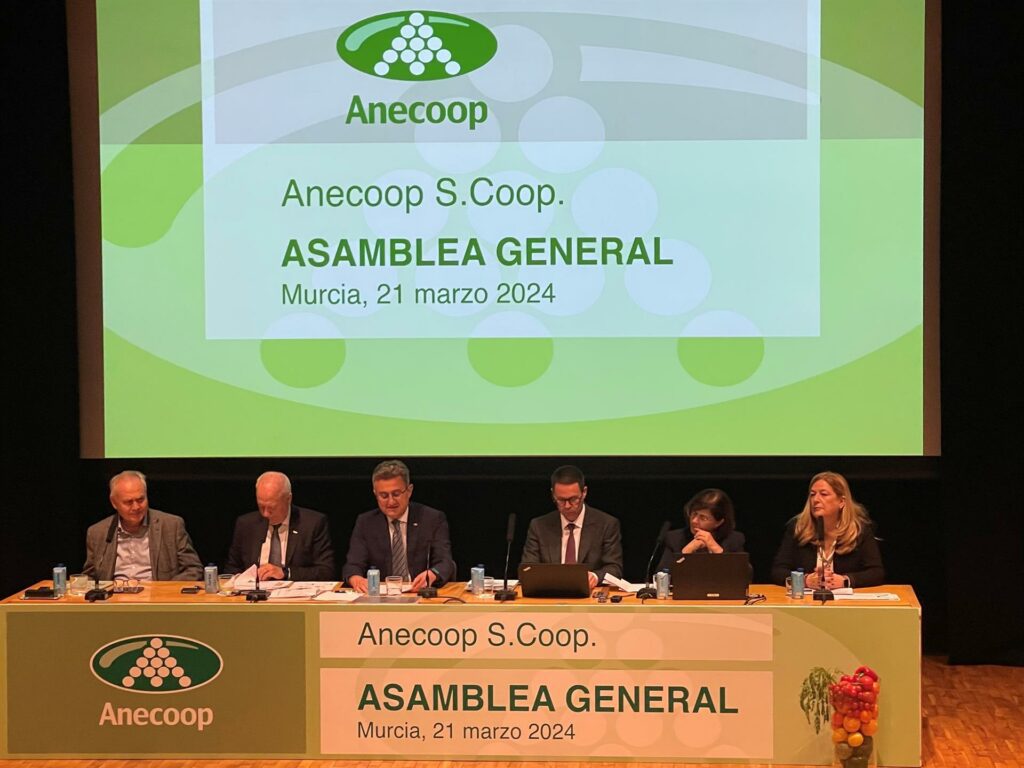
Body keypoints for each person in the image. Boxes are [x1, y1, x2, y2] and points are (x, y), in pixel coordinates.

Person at [342, 460, 455, 593]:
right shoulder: (366, 522)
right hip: (380, 596)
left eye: (396, 494)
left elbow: (445, 562)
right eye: (384, 496)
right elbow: (352, 565)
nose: (391, 501)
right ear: (375, 494)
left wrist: (432, 574)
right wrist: (356, 579)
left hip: (420, 593)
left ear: (409, 491)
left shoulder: (432, 519)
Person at [770, 471, 885, 589]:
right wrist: (804, 580)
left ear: (841, 502)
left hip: (844, 599)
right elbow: (778, 570)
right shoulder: (797, 527)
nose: (815, 499)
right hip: (807, 599)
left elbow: (876, 572)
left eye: (823, 494)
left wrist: (845, 581)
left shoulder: (859, 530)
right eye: (812, 494)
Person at [83, 470, 203, 581]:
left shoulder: (171, 525)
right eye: (128, 502)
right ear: (114, 503)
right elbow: (89, 577)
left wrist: (164, 590)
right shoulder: (97, 533)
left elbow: (193, 570)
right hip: (115, 595)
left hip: (157, 595)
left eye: (141, 500)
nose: (136, 507)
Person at [521, 465, 623, 590]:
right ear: (553, 494)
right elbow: (528, 568)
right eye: (561, 500)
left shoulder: (606, 524)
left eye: (573, 499)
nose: (567, 506)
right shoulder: (539, 526)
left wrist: (595, 576)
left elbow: (615, 568)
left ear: (584, 492)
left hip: (589, 596)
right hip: (551, 594)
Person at [225, 471, 335, 581]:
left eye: (271, 508)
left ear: (288, 499)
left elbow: (326, 571)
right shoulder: (246, 524)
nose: (265, 514)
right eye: (261, 506)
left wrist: (285, 573)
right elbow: (231, 569)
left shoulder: (312, 523)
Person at [656, 488, 746, 571]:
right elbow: (661, 574)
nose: (694, 521)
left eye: (703, 518)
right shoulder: (674, 539)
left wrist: (716, 549)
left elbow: (745, 574)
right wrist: (685, 552)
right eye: (694, 513)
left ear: (718, 522)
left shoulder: (734, 540)